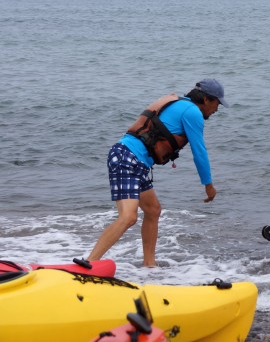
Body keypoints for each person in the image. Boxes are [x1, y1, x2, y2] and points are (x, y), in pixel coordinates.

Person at [87, 78, 229, 267]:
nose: (217, 109)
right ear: (206, 99)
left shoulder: (181, 105)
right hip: (128, 157)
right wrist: (208, 185)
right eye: (217, 103)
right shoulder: (192, 112)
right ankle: (88, 263)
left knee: (153, 210)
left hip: (135, 160)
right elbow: (199, 151)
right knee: (128, 217)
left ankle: (149, 265)